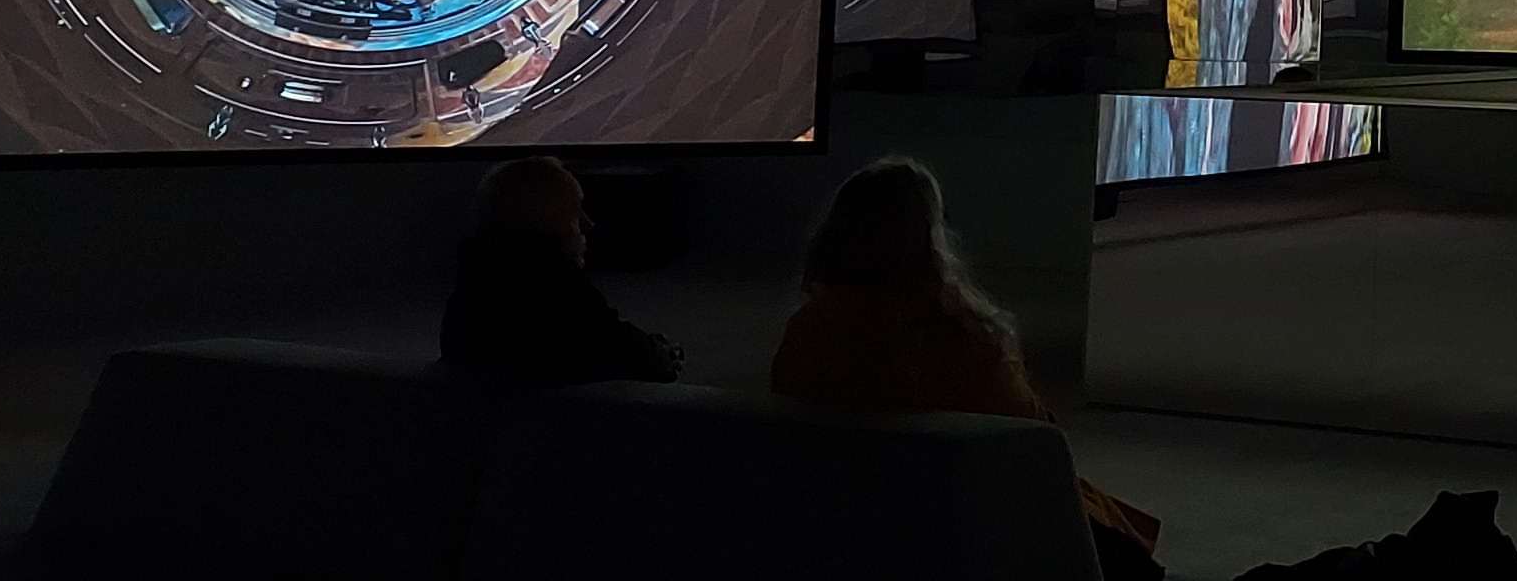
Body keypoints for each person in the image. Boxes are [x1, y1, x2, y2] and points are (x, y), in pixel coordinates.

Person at [771, 157, 1168, 580]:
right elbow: (1033, 441)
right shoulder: (964, 340)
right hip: (974, 526)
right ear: (932, 240)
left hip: (848, 526)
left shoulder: (808, 332)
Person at [440, 156, 684, 384]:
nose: (587, 225)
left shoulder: (469, 301)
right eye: (573, 215)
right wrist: (662, 353)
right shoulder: (563, 301)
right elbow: (637, 356)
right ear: (545, 224)